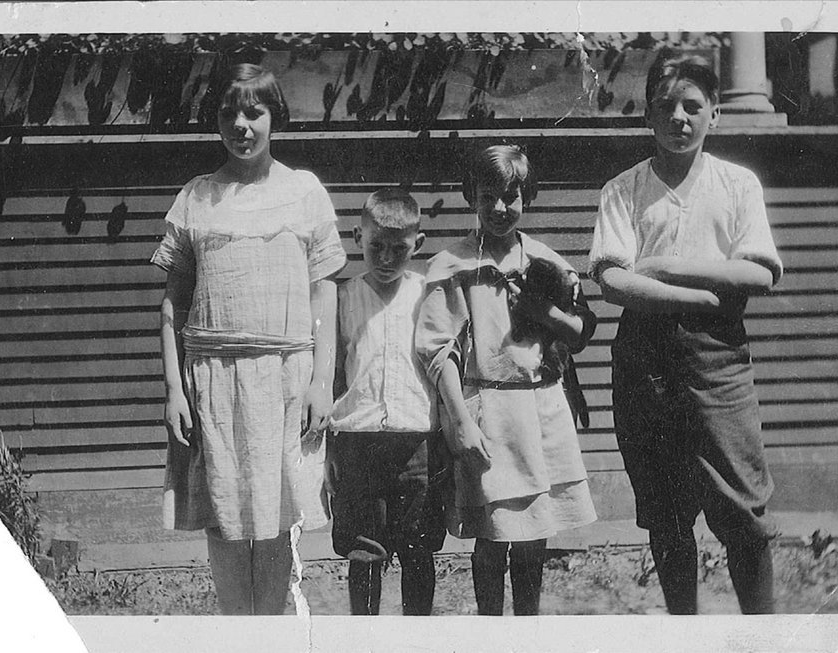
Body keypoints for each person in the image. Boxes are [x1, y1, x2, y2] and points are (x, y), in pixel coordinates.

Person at [588, 51, 784, 615]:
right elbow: (614, 281)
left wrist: (670, 268)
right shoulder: (623, 190)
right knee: (668, 516)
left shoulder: (737, 184)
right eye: (665, 107)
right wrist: (697, 297)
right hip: (645, 364)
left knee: (742, 511)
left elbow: (759, 272)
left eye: (693, 106)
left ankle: (762, 634)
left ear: (714, 114)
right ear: (648, 115)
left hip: (719, 363)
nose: (680, 118)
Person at [151, 63, 345, 615]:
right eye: (228, 113)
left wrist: (321, 383)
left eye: (254, 112)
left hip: (286, 377)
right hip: (211, 380)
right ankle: (239, 630)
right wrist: (173, 389)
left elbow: (323, 294)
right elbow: (173, 303)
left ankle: (274, 630)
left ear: (274, 118)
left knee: (277, 516)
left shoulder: (305, 192)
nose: (241, 125)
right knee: (228, 518)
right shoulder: (196, 198)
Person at [416, 145, 598, 616]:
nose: (499, 208)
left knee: (536, 535)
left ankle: (528, 630)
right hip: (488, 413)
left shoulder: (546, 264)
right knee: (494, 536)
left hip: (541, 411)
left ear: (527, 197)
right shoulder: (453, 266)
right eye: (488, 196)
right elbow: (437, 350)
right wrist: (460, 422)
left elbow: (579, 333)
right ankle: (491, 632)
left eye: (511, 197)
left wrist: (545, 310)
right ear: (471, 197)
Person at [326, 188, 446, 616]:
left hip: (418, 444)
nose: (387, 259)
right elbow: (333, 377)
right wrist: (329, 450)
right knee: (365, 551)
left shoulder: (429, 293)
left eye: (399, 248)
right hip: (359, 443)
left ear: (418, 243)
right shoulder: (342, 297)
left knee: (417, 548)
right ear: (357, 237)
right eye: (376, 246)